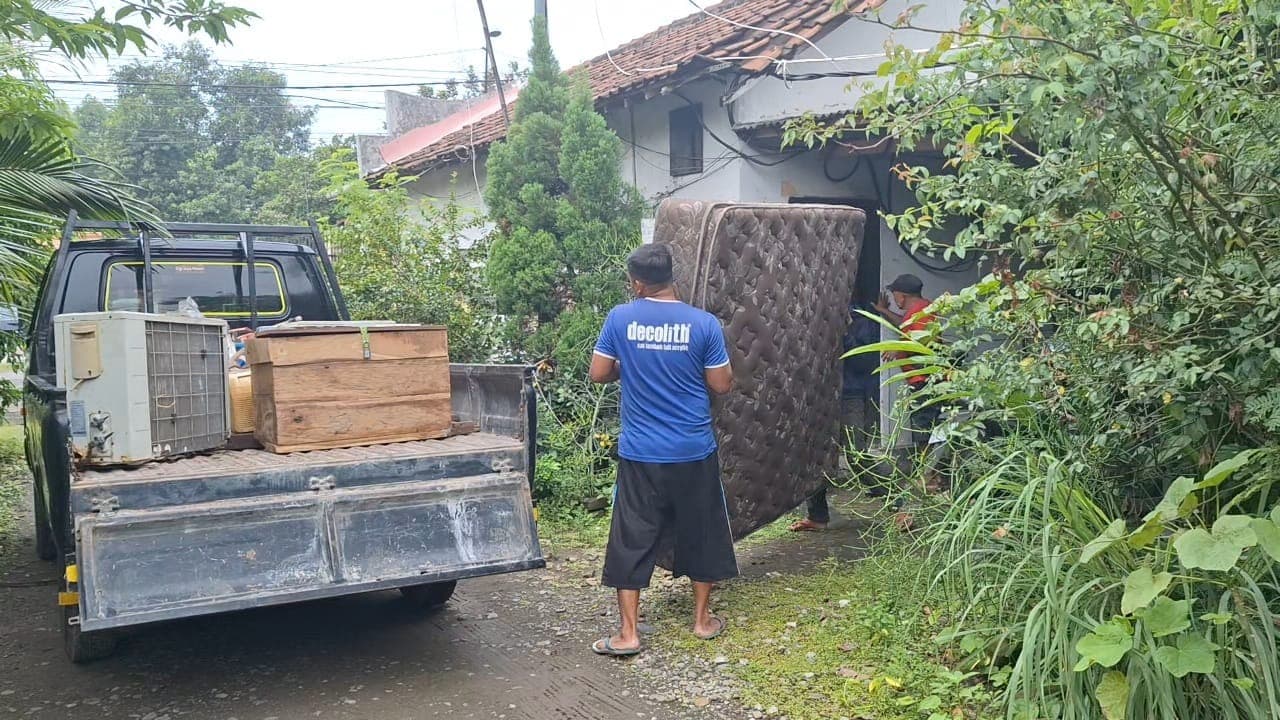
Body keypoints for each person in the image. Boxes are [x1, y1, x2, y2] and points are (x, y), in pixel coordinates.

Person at [588, 243, 737, 657]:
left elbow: (599, 373)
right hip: (693, 448)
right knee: (701, 530)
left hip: (641, 451)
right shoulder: (703, 324)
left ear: (637, 283)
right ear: (673, 276)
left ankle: (629, 634)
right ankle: (703, 621)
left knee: (632, 535)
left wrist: (632, 366)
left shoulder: (621, 318)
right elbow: (722, 385)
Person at [790, 295, 881, 531]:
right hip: (819, 394)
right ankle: (817, 516)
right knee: (815, 455)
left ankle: (899, 505)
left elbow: (864, 360)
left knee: (856, 453)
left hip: (849, 393)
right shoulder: (812, 316)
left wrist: (844, 333)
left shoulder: (860, 319)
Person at [874, 273, 940, 448]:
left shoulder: (923, 312)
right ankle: (930, 472)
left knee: (924, 432)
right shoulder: (919, 310)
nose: (893, 298)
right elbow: (905, 325)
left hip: (924, 381)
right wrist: (884, 311)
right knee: (923, 430)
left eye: (894, 294)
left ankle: (927, 473)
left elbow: (925, 339)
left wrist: (899, 347)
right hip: (921, 380)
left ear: (902, 296)